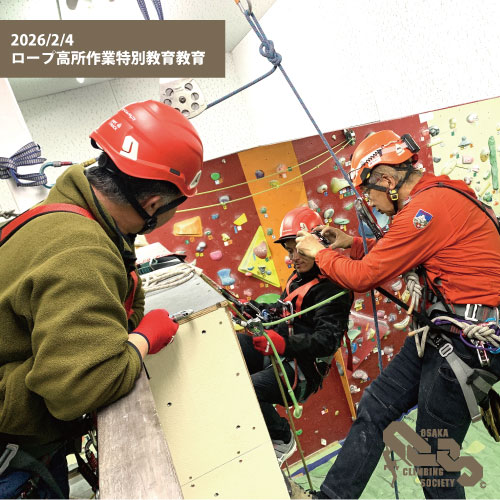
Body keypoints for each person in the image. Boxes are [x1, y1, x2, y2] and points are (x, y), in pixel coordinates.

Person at [0, 100, 204, 498]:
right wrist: (143, 340)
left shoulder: (61, 213)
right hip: (13, 458)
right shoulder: (83, 250)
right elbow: (81, 388)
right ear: (154, 204)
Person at [296, 129, 500, 499]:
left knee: (434, 458)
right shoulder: (436, 197)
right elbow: (406, 248)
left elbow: (362, 277)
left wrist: (319, 252)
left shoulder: (426, 209)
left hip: (467, 343)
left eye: (368, 191)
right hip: (441, 334)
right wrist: (352, 243)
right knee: (375, 406)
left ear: (388, 181)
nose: (369, 202)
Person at [237, 206, 352, 464]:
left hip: (303, 372)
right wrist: (254, 308)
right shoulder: (298, 278)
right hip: (283, 356)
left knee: (249, 389)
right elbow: (282, 311)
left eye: (299, 249)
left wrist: (283, 344)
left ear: (318, 244)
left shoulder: (334, 288)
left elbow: (327, 341)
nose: (293, 258)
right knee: (236, 347)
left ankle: (282, 437)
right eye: (290, 251)